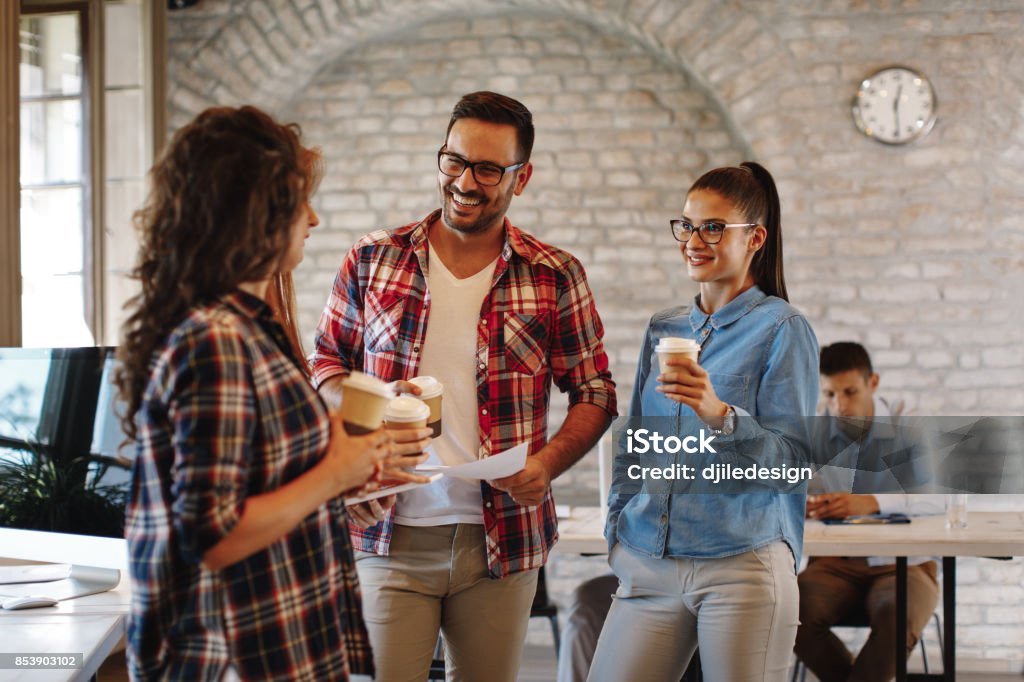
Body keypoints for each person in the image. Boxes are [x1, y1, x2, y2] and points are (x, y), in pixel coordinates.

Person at [115, 106, 431, 681]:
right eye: (296, 201)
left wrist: (351, 487)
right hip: (233, 657)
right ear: (251, 212)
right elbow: (212, 534)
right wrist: (335, 475)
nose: (312, 218)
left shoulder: (253, 329)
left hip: (282, 643)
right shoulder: (214, 340)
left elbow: (268, 483)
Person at [310, 91, 617, 682]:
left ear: (521, 179)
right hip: (384, 529)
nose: (465, 182)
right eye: (454, 161)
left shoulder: (556, 274)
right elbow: (323, 363)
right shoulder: (372, 259)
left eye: (488, 169)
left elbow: (595, 389)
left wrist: (548, 465)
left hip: (500, 543)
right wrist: (369, 403)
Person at [589, 162, 819, 681]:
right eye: (687, 225)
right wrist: (618, 530)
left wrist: (720, 416)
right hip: (649, 561)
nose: (694, 239)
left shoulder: (783, 328)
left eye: (713, 227)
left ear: (755, 238)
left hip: (742, 566)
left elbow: (795, 462)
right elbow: (637, 440)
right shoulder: (664, 327)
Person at [795, 341, 943, 682]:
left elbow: (938, 497)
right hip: (832, 564)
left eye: (849, 392)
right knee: (787, 609)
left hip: (906, 565)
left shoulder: (910, 423)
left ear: (873, 382)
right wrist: (799, 502)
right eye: (830, 394)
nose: (840, 406)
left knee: (897, 613)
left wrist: (872, 502)